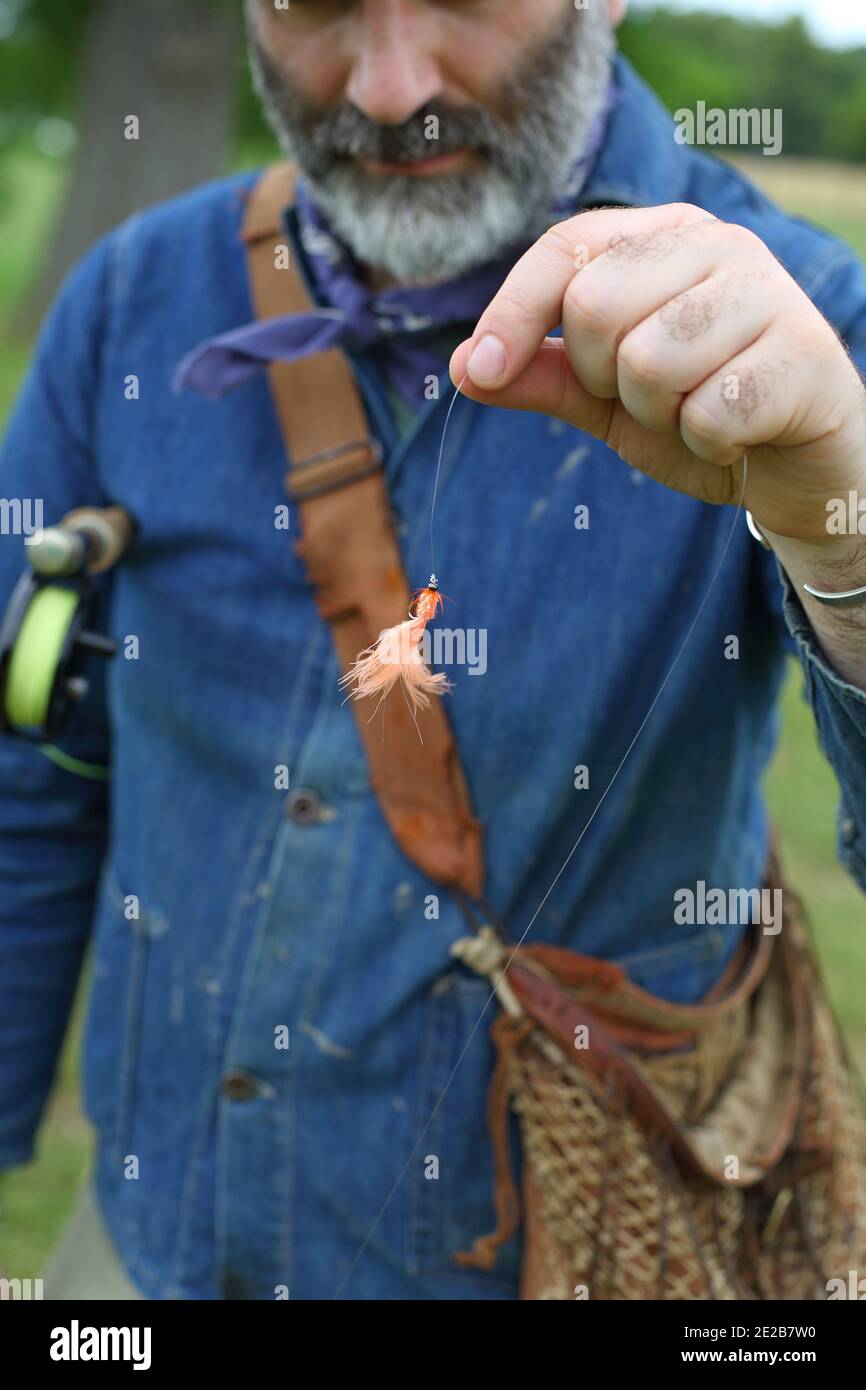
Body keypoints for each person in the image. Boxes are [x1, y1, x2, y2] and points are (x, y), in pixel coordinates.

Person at [1, 0, 865, 1301]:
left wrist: (844, 544)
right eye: (315, 7)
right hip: (151, 1248)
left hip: (562, 1256)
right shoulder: (131, 297)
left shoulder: (805, 325)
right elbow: (32, 774)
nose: (392, 90)